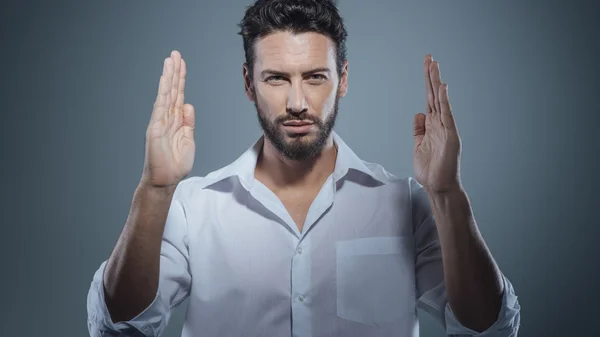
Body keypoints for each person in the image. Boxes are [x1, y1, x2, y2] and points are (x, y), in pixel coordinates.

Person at [86, 0, 521, 336]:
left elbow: (489, 327)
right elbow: (119, 327)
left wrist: (446, 195)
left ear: (343, 80)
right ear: (248, 83)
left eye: (315, 77)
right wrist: (155, 189)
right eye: (277, 78)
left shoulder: (404, 203)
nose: (297, 103)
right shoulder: (192, 207)